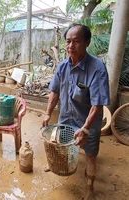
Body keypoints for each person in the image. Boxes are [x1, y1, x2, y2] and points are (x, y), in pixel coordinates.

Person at [42, 24, 110, 200]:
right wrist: (48, 113)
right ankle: (62, 166)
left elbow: (97, 105)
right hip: (66, 117)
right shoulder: (63, 66)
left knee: (90, 154)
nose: (70, 46)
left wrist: (86, 129)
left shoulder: (97, 68)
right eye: (68, 42)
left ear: (87, 42)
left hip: (89, 122)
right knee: (60, 144)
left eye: (76, 42)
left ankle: (90, 187)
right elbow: (54, 91)